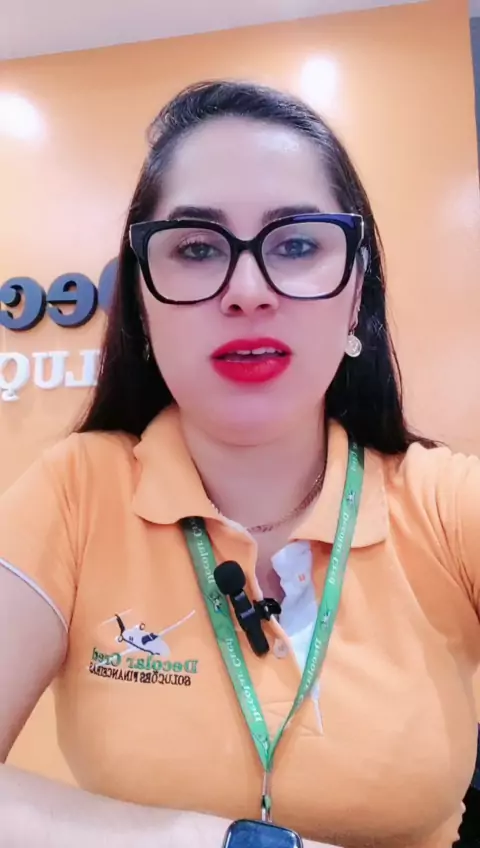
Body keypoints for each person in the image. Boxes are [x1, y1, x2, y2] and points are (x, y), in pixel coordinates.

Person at [0, 79, 479, 848]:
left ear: (355, 289)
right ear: (143, 302)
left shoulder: (449, 505)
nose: (248, 292)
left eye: (296, 244)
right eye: (196, 248)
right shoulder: (74, 491)